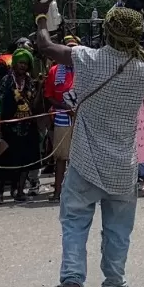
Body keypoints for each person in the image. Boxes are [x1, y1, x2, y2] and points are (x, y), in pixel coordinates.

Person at [35, 3, 144, 287]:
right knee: (118, 235)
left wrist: (41, 15)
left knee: (74, 227)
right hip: (123, 167)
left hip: (86, 163)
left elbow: (45, 47)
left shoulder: (88, 58)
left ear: (107, 30)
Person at [0, 49, 43, 203]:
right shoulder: (6, 80)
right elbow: (0, 104)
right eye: (20, 62)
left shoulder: (30, 82)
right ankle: (0, 192)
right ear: (14, 64)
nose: (22, 66)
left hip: (28, 127)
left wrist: (41, 87)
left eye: (25, 63)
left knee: (26, 160)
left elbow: (35, 106)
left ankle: (20, 191)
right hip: (10, 127)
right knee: (5, 161)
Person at [45, 36, 80, 200]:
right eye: (69, 49)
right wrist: (65, 107)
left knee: (81, 157)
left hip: (82, 117)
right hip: (62, 116)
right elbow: (49, 96)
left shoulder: (86, 68)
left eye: (74, 49)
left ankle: (78, 193)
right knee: (61, 157)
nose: (71, 52)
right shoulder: (54, 71)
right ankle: (58, 191)